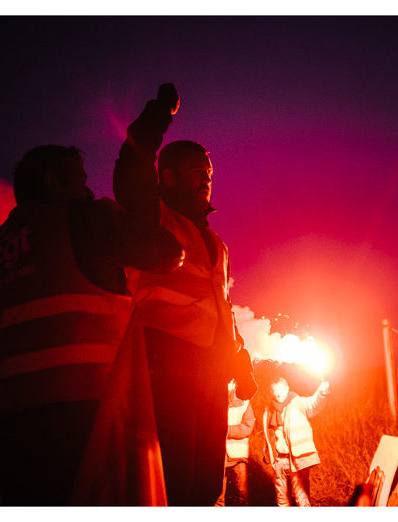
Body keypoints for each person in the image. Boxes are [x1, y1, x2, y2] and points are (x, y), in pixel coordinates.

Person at [0, 144, 184, 505]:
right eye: (79, 180)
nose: (87, 190)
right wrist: (114, 213)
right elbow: (167, 252)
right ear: (52, 182)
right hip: (92, 419)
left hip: (11, 435)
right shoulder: (84, 219)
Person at [113, 83, 256, 505]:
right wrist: (160, 114)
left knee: (205, 484)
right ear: (169, 177)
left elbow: (222, 309)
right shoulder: (152, 217)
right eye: (197, 171)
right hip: (164, 366)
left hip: (209, 375)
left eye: (209, 174)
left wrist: (240, 363)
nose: (207, 180)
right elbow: (132, 166)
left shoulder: (217, 244)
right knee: (168, 479)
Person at [263, 376, 329, 507]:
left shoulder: (297, 402)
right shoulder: (269, 409)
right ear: (271, 392)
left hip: (296, 459)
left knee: (301, 498)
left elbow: (313, 404)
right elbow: (269, 435)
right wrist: (270, 455)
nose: (278, 393)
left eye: (281, 389)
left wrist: (321, 393)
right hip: (279, 460)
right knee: (282, 499)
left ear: (287, 388)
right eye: (275, 390)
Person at [215, 379, 255, 506]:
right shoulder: (215, 402)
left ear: (234, 385)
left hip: (238, 455)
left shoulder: (244, 403)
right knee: (217, 495)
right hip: (219, 455)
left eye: (230, 383)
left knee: (242, 493)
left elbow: (248, 426)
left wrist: (227, 430)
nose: (227, 386)